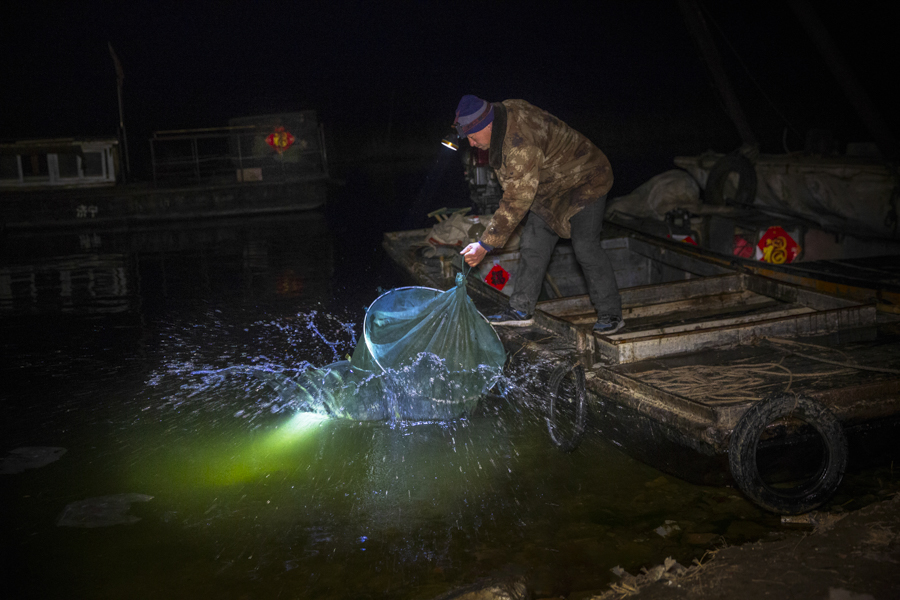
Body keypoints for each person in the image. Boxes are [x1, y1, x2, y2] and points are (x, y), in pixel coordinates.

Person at [455, 95, 624, 333]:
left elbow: (516, 199)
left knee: (585, 246)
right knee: (533, 242)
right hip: (549, 186)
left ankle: (611, 313)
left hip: (587, 178)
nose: (471, 144)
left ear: (489, 125)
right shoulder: (503, 112)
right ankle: (521, 310)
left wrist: (484, 244)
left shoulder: (519, 145)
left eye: (473, 137)